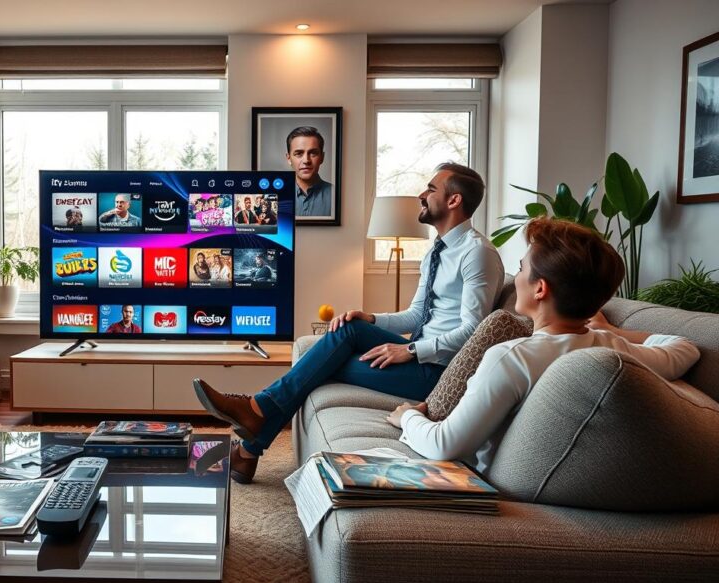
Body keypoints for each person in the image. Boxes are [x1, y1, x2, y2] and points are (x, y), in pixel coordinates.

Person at [192, 162, 505, 483]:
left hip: (436, 373)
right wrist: (370, 317)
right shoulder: (435, 252)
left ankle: (250, 438)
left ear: (454, 201)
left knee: (323, 367)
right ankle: (252, 427)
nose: (421, 195)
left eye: (431, 189)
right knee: (348, 328)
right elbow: (415, 314)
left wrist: (410, 349)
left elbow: (473, 330)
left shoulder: (476, 254)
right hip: (422, 354)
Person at [386, 217, 700, 473]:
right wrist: (607, 328)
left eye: (521, 269)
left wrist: (408, 417)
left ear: (540, 288)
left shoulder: (512, 358)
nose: (517, 276)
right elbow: (685, 348)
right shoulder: (612, 349)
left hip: (498, 489)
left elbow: (445, 445)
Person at [286, 126, 332, 217]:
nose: (306, 160)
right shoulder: (275, 196)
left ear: (322, 157)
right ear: (289, 158)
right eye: (299, 153)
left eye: (313, 153)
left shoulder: (337, 196)